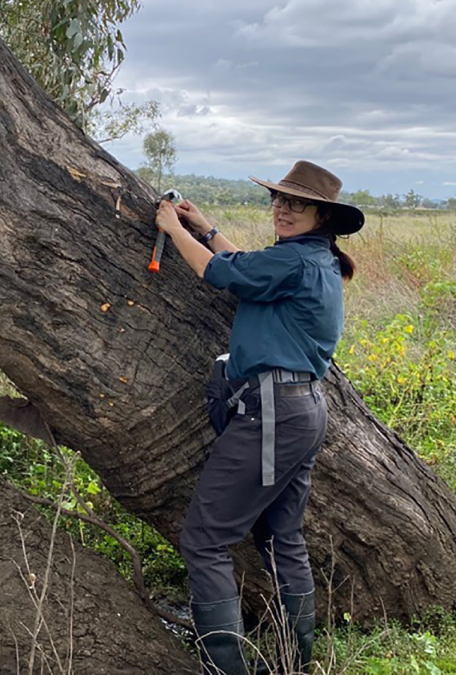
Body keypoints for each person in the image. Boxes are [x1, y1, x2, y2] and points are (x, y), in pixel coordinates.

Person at [154, 161, 363, 675]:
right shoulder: (313, 261)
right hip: (303, 410)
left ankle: (225, 668)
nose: (283, 209)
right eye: (279, 200)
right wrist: (206, 229)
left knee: (204, 539)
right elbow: (245, 269)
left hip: (273, 413)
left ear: (322, 216)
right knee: (280, 536)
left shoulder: (294, 261)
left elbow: (218, 273)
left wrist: (173, 230)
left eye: (297, 203)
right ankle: (296, 661)